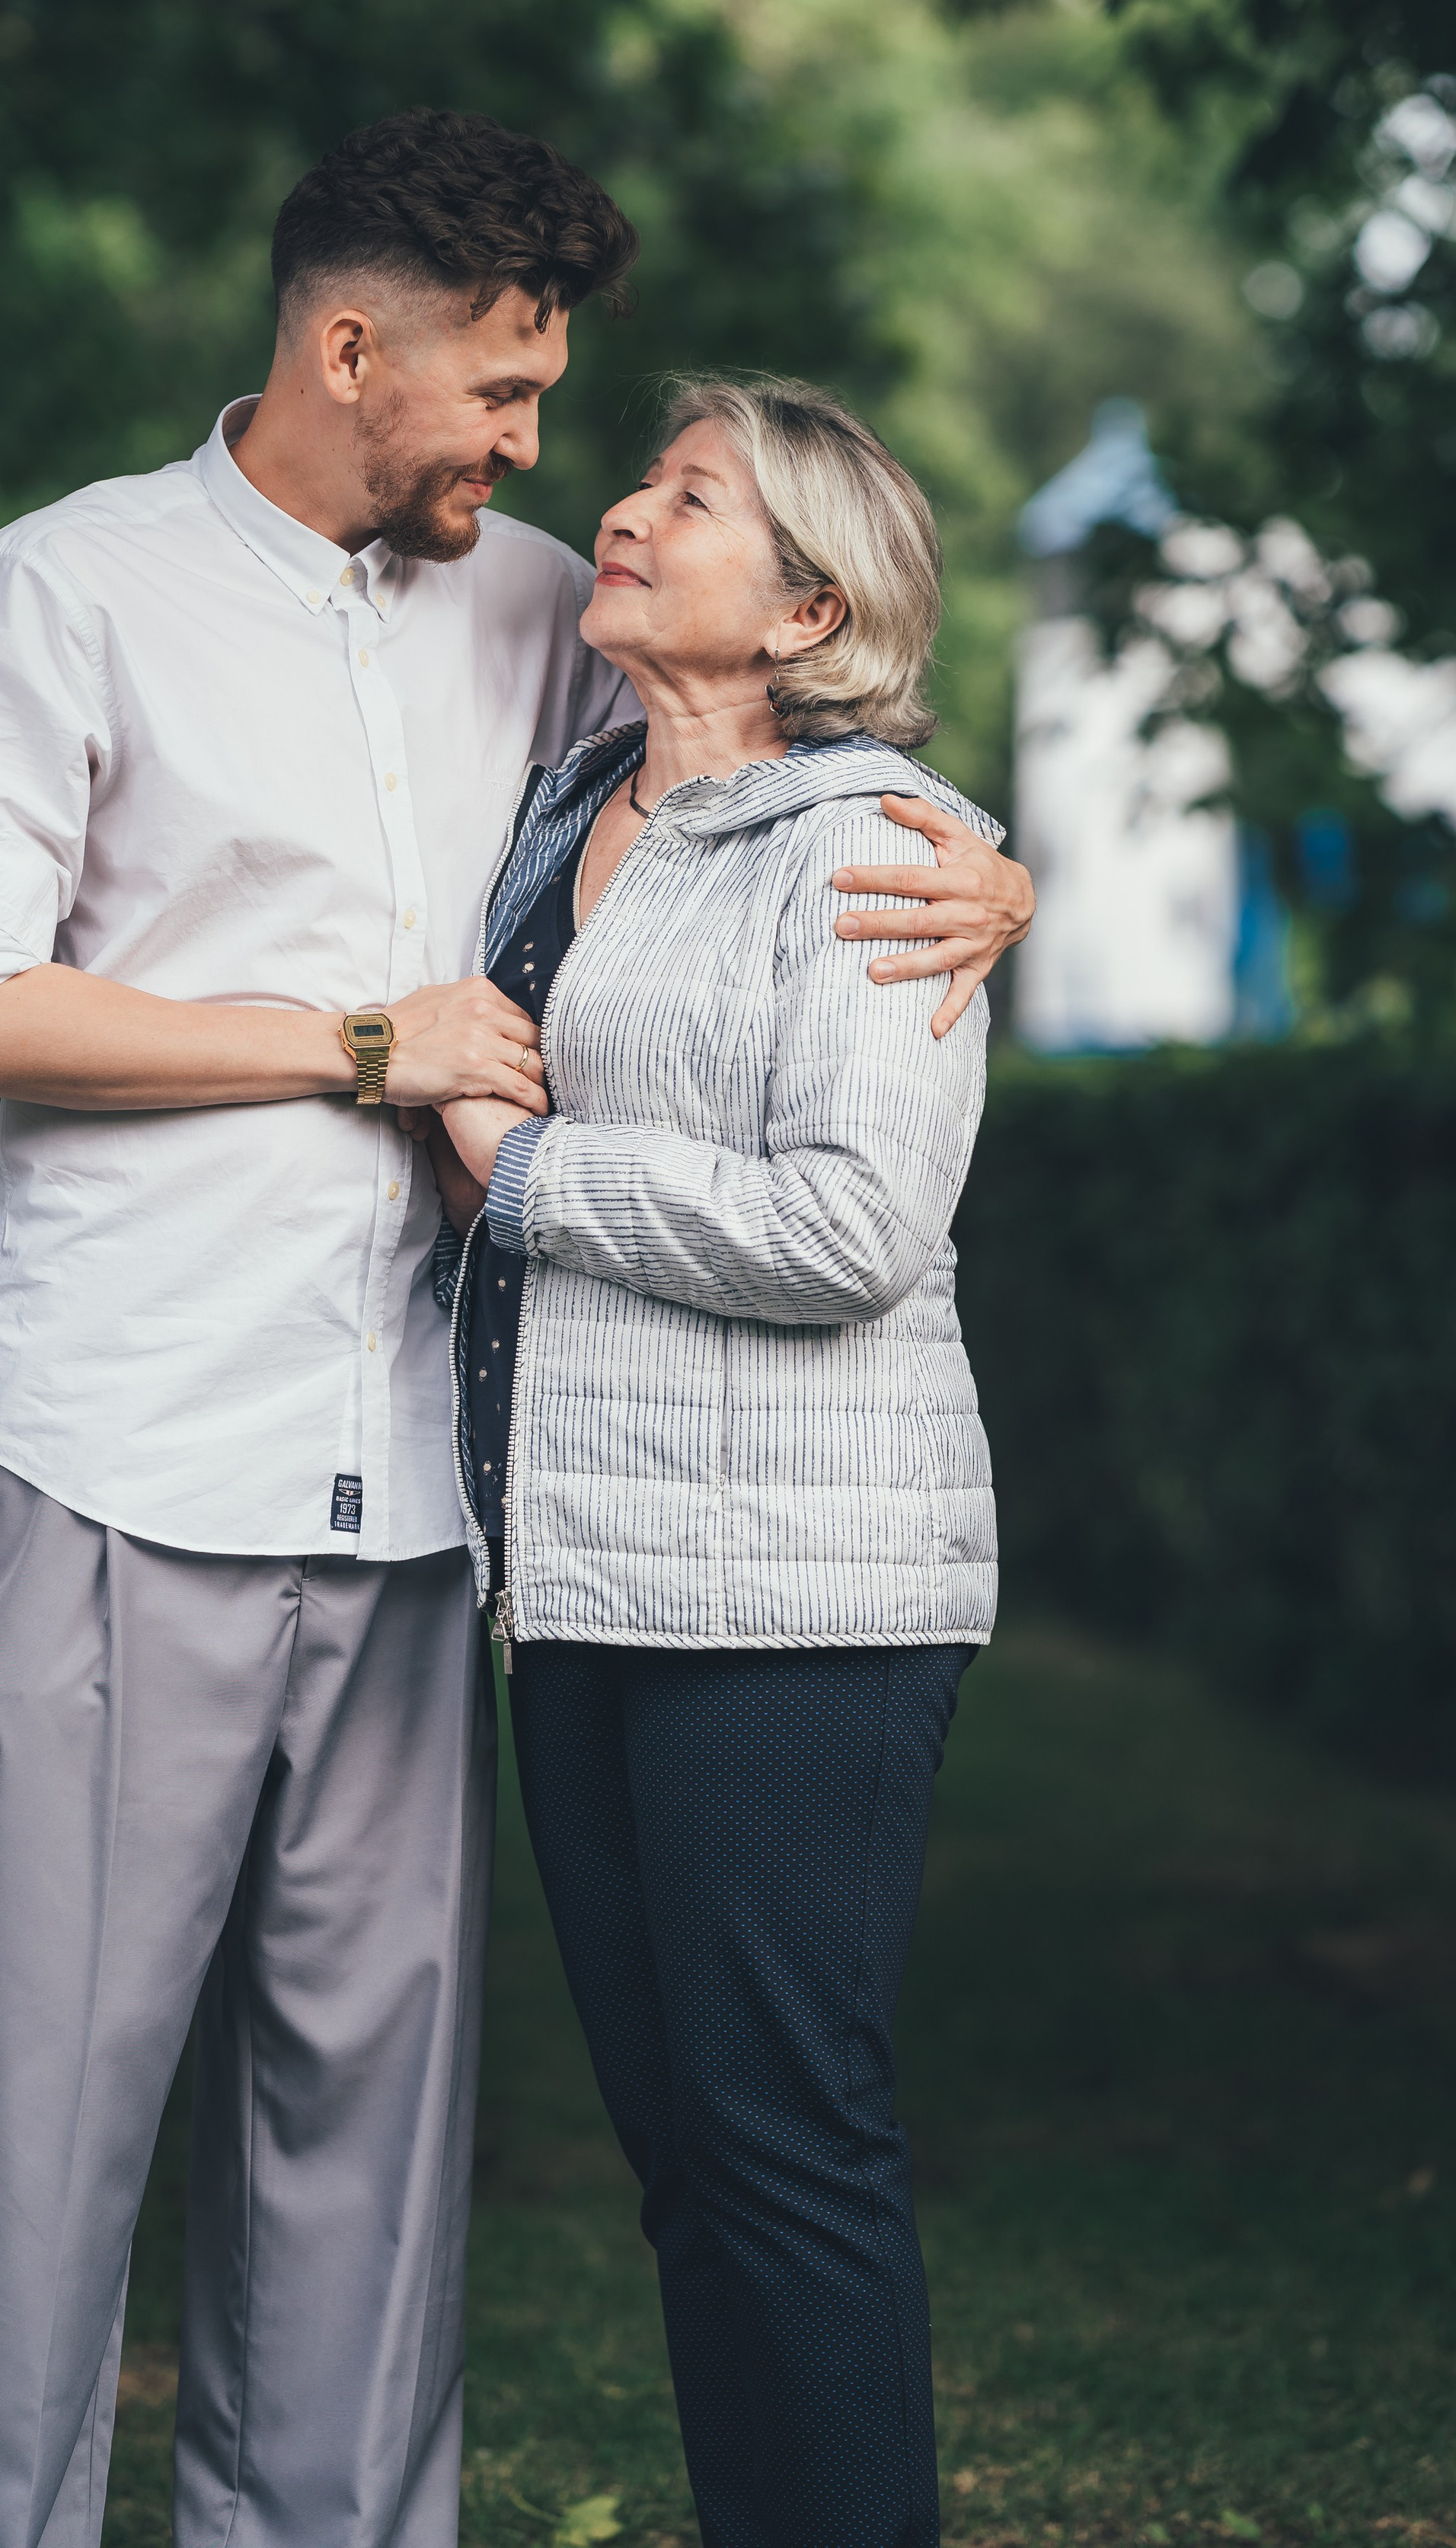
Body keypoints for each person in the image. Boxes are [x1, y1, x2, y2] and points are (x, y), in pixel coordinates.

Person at [0, 110, 1033, 2548]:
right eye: (500, 396)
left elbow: (766, 789)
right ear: (349, 342)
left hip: (426, 1495)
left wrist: (982, 861)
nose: (532, 454)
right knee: (42, 2139)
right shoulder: (62, 591)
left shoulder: (529, 621)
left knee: (365, 2170)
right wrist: (350, 1043)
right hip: (123, 1452)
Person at [438, 377, 1001, 2548]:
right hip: (582, 1581)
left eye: (693, 499)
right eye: (646, 478)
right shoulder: (568, 802)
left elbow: (861, 1228)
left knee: (785, 2146)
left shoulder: (873, 848)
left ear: (806, 611)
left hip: (805, 1598)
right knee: (692, 2162)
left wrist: (528, 1173)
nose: (627, 510)